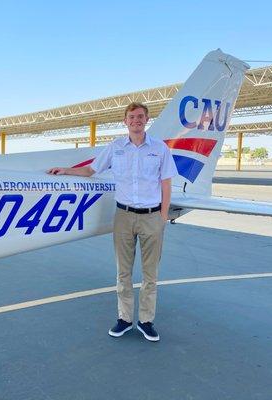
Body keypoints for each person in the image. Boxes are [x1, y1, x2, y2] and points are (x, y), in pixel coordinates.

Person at [47, 102, 177, 342]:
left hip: (151, 217)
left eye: (140, 116)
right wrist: (65, 170)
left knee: (151, 274)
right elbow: (90, 171)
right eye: (131, 117)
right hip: (124, 217)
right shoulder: (116, 147)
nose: (136, 120)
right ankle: (125, 319)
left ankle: (146, 321)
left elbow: (166, 183)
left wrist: (163, 217)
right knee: (123, 272)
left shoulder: (160, 149)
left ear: (146, 120)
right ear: (125, 121)